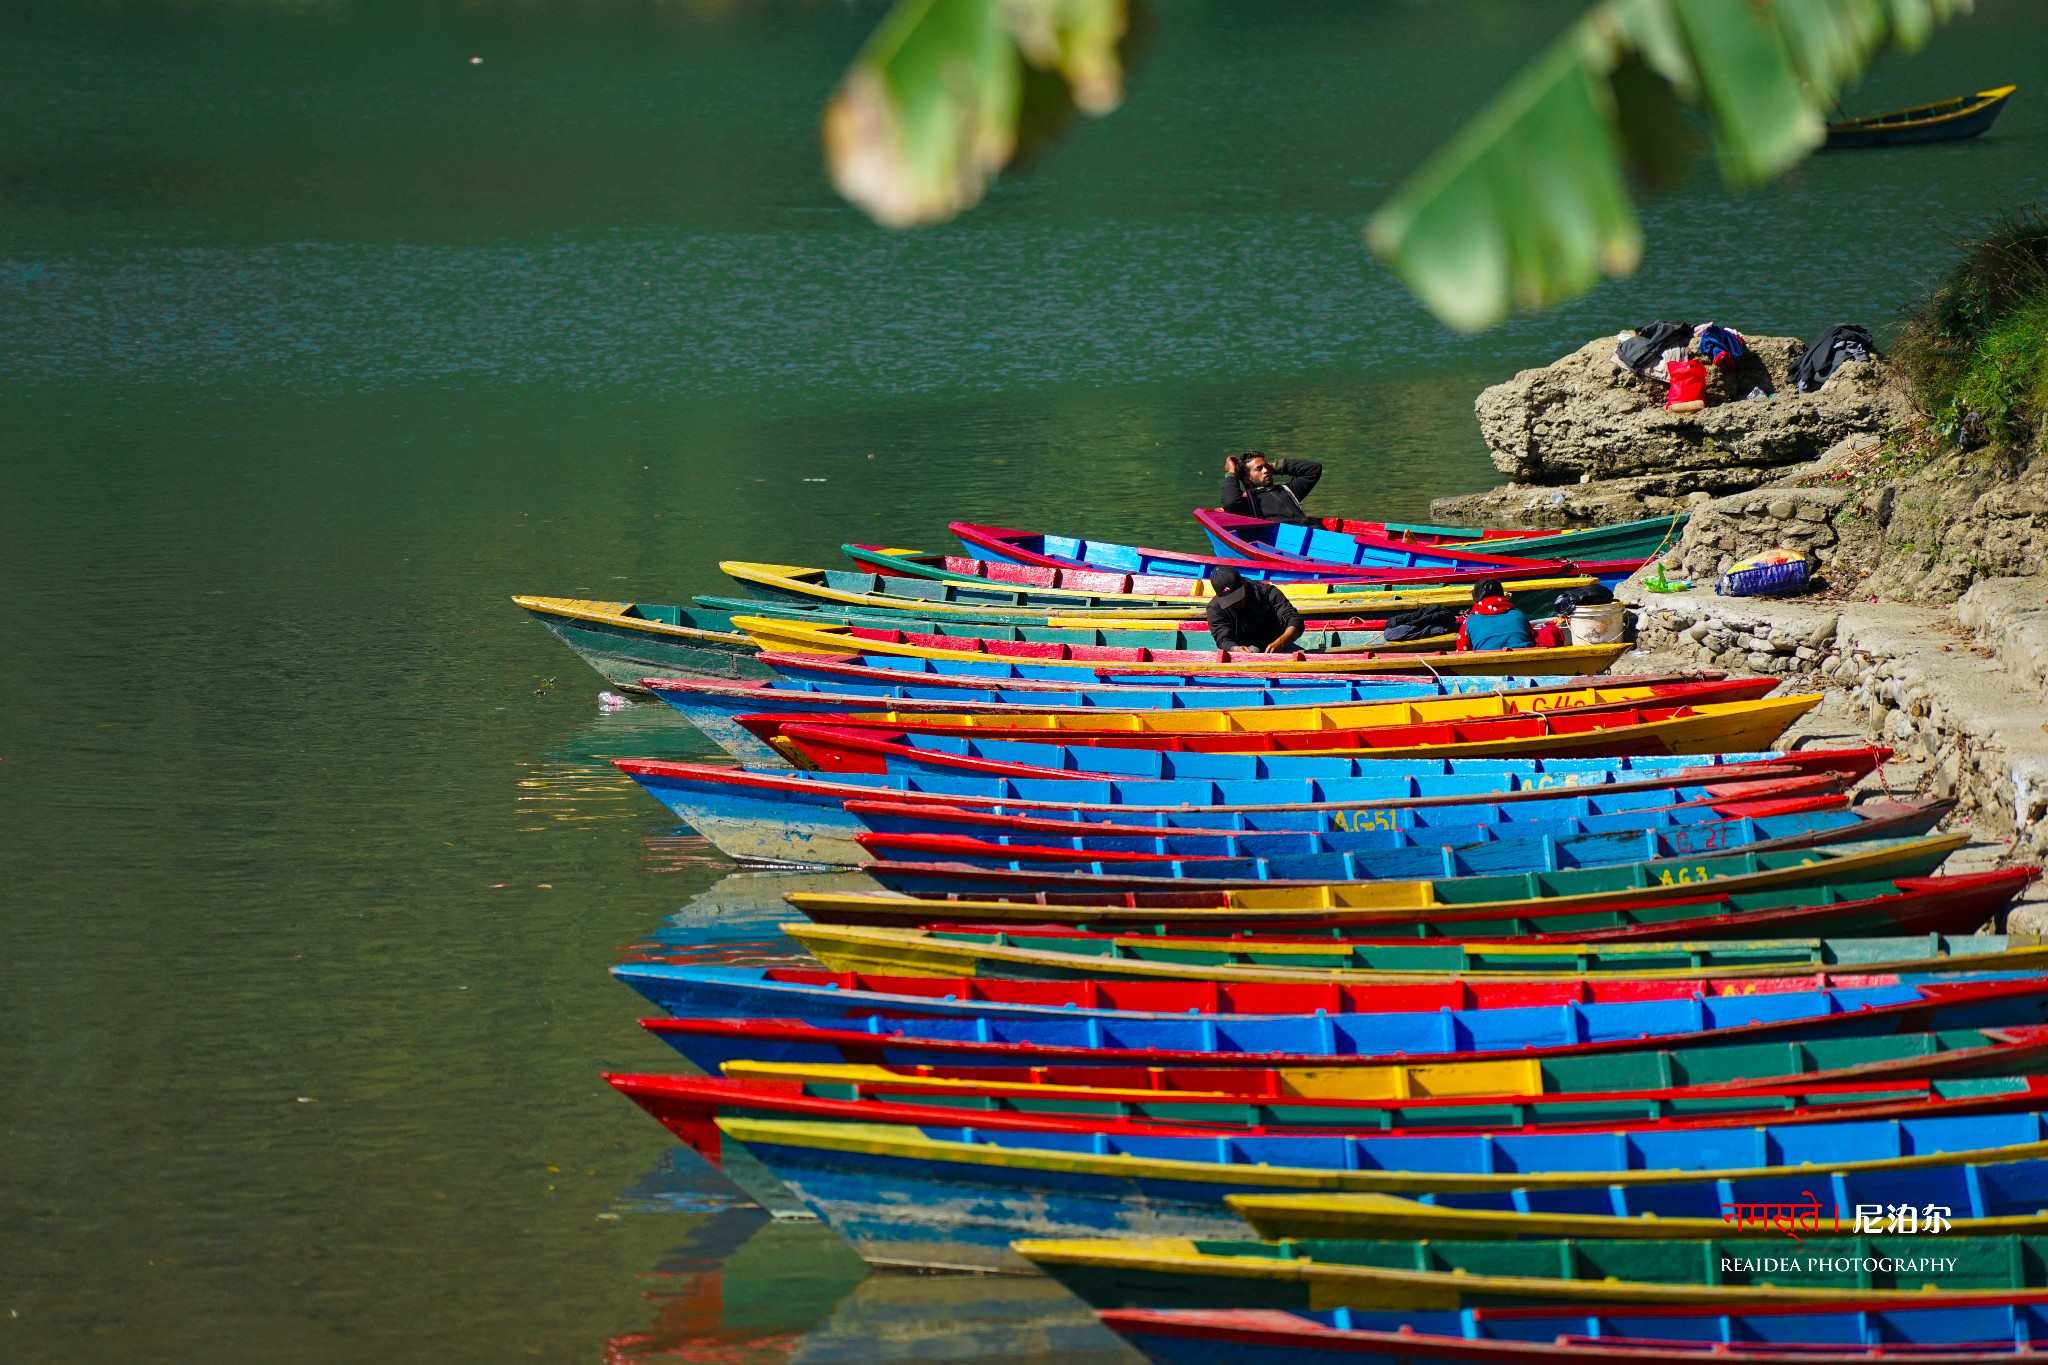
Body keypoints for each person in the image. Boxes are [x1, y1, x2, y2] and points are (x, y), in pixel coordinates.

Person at [1205, 566, 1305, 654]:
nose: (1236, 602)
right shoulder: (1215, 609)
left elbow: (1294, 620)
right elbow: (1222, 639)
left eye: (1237, 597)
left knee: (1303, 655)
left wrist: (1281, 642)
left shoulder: (1268, 593)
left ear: (1244, 583)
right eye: (1229, 600)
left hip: (1279, 644)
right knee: (1254, 651)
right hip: (1246, 652)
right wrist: (1235, 649)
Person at [1220, 451, 1322, 525]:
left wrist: (1274, 466)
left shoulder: (1288, 490)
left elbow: (1313, 469)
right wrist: (1231, 472)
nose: (1265, 470)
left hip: (1313, 533)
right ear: (1247, 479)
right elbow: (1230, 502)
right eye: (1259, 469)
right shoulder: (1248, 502)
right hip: (1285, 541)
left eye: (1266, 466)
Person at [1457, 578, 1536, 651]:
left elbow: (1461, 652)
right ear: (1502, 594)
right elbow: (1532, 638)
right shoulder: (1518, 614)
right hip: (1524, 662)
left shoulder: (1469, 621)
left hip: (1487, 663)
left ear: (1476, 598)